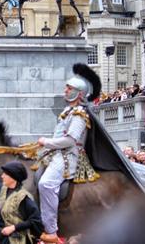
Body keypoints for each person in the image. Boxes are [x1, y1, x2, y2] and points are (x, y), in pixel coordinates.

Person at [36, 63, 102, 243]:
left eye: (69, 88)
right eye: (66, 87)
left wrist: (47, 142)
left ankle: (50, 230)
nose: (65, 90)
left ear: (78, 93)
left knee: (46, 184)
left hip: (69, 157)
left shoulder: (80, 114)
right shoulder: (68, 111)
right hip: (57, 154)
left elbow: (70, 141)